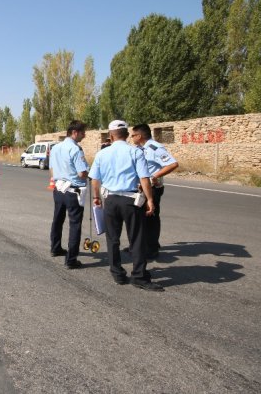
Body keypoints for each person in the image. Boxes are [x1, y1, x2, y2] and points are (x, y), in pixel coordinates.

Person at [89, 120, 163, 291]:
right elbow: (144, 178)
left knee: (112, 239)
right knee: (136, 238)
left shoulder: (102, 154)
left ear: (110, 135)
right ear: (127, 134)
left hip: (111, 200)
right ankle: (138, 276)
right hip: (131, 200)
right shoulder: (135, 152)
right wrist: (150, 200)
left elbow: (95, 180)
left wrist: (96, 197)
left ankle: (117, 273)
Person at [131, 123, 179, 259]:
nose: (131, 137)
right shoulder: (139, 148)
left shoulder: (154, 148)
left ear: (139, 136)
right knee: (141, 218)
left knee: (150, 217)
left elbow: (173, 164)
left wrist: (155, 176)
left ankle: (151, 249)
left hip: (152, 188)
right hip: (141, 187)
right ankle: (143, 245)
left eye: (133, 135)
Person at [48, 120, 89, 269]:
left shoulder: (56, 148)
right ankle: (71, 260)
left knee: (57, 220)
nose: (84, 136)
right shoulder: (76, 150)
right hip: (73, 191)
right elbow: (82, 172)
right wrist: (89, 174)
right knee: (75, 224)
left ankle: (55, 248)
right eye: (83, 132)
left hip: (59, 189)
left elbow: (51, 169)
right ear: (74, 132)